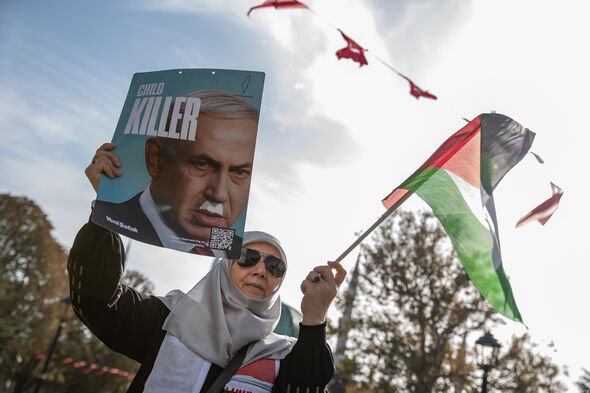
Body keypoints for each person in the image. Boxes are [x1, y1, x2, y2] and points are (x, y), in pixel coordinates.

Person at [69, 149, 347, 392]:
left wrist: (315, 317)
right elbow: (98, 301)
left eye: (275, 266)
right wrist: (107, 209)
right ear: (225, 266)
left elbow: (305, 387)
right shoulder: (169, 322)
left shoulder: (282, 355)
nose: (261, 270)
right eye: (248, 257)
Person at [91, 90, 259, 255]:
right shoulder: (112, 218)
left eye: (239, 172)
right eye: (202, 164)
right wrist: (104, 202)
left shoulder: (244, 257)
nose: (219, 194)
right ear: (156, 159)